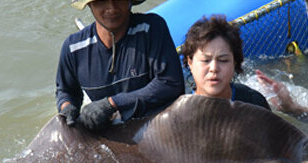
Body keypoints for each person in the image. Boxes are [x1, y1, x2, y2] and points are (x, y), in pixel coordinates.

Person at [55, 0, 185, 131]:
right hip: (109, 133)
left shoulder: (151, 28)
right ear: (90, 4)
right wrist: (66, 107)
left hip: (156, 129)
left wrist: (112, 103)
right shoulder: (73, 48)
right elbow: (66, 91)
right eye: (102, 1)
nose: (112, 8)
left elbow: (170, 83)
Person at [179, 15, 270, 111]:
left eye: (223, 60)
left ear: (234, 63)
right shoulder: (179, 114)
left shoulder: (254, 103)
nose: (214, 68)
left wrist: (286, 106)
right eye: (206, 60)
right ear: (190, 63)